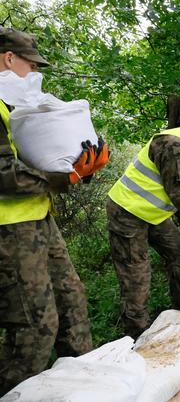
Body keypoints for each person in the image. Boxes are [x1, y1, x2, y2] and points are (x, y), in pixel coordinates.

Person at [0, 28, 109, 394]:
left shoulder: (12, 107)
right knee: (35, 326)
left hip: (37, 219)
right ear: (8, 58)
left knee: (72, 302)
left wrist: (80, 164)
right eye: (30, 66)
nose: (33, 74)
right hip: (9, 231)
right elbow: (3, 174)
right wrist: (67, 177)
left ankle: (80, 391)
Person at [106, 111, 180, 338]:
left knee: (178, 250)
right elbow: (179, 193)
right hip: (128, 212)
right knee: (137, 275)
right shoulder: (172, 145)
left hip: (152, 215)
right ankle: (137, 336)